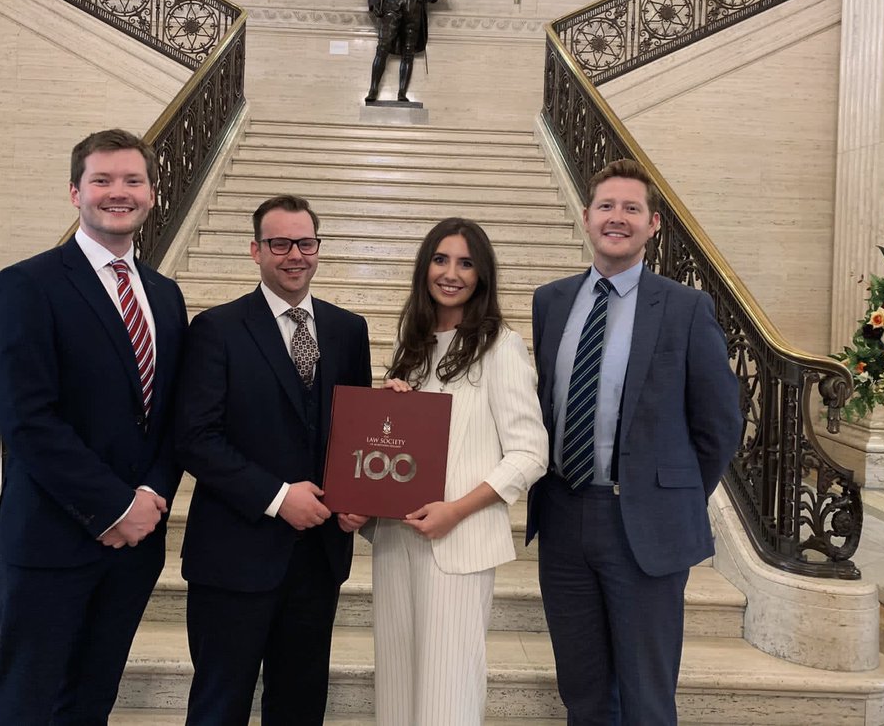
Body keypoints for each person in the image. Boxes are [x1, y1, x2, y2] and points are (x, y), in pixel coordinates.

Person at [528, 158, 743, 725]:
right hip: (563, 516)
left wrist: (670, 497)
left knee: (647, 696)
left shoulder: (684, 307)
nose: (616, 218)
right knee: (583, 689)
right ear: (586, 217)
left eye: (630, 208)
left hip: (642, 524)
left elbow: (719, 424)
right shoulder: (550, 302)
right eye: (606, 206)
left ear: (652, 225)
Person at [0, 129, 186, 725]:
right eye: (102, 180)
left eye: (132, 180)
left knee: (92, 699)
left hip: (135, 544)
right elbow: (27, 419)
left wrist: (149, 496)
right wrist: (113, 507)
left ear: (152, 193)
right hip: (52, 535)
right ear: (75, 191)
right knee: (28, 701)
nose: (117, 192)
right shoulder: (28, 283)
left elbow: (171, 415)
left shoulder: (166, 296)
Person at [174, 195, 372, 726]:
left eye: (305, 243)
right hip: (235, 553)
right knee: (221, 701)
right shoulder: (216, 328)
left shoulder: (348, 330)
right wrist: (279, 497)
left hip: (318, 556)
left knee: (301, 703)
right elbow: (195, 438)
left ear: (317, 249)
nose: (294, 255)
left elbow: (355, 436)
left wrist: (360, 500)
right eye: (279, 243)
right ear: (255, 250)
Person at [347, 217, 548, 725]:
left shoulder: (500, 345)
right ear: (425, 267)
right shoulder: (411, 347)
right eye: (441, 259)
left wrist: (455, 511)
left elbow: (530, 453)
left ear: (482, 275)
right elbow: (393, 448)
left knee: (447, 692)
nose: (451, 272)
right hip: (397, 541)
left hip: (456, 542)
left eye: (465, 262)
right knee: (397, 684)